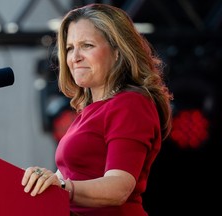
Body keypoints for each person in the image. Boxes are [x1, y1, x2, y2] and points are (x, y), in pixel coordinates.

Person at [21, 3, 173, 216]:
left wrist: (63, 187)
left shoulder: (130, 104)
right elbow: (67, 177)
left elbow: (119, 187)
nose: (75, 57)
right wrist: (40, 180)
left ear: (118, 52)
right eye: (70, 48)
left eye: (87, 45)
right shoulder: (88, 111)